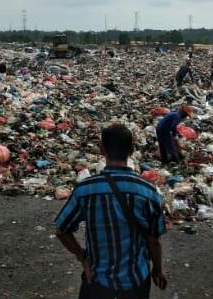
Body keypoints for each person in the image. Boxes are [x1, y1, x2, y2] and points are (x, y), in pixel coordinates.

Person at [55, 123, 168, 299]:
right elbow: (154, 241)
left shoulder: (85, 189)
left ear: (102, 150)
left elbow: (62, 230)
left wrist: (82, 257)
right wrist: (157, 270)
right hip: (136, 282)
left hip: (98, 282)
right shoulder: (148, 191)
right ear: (131, 151)